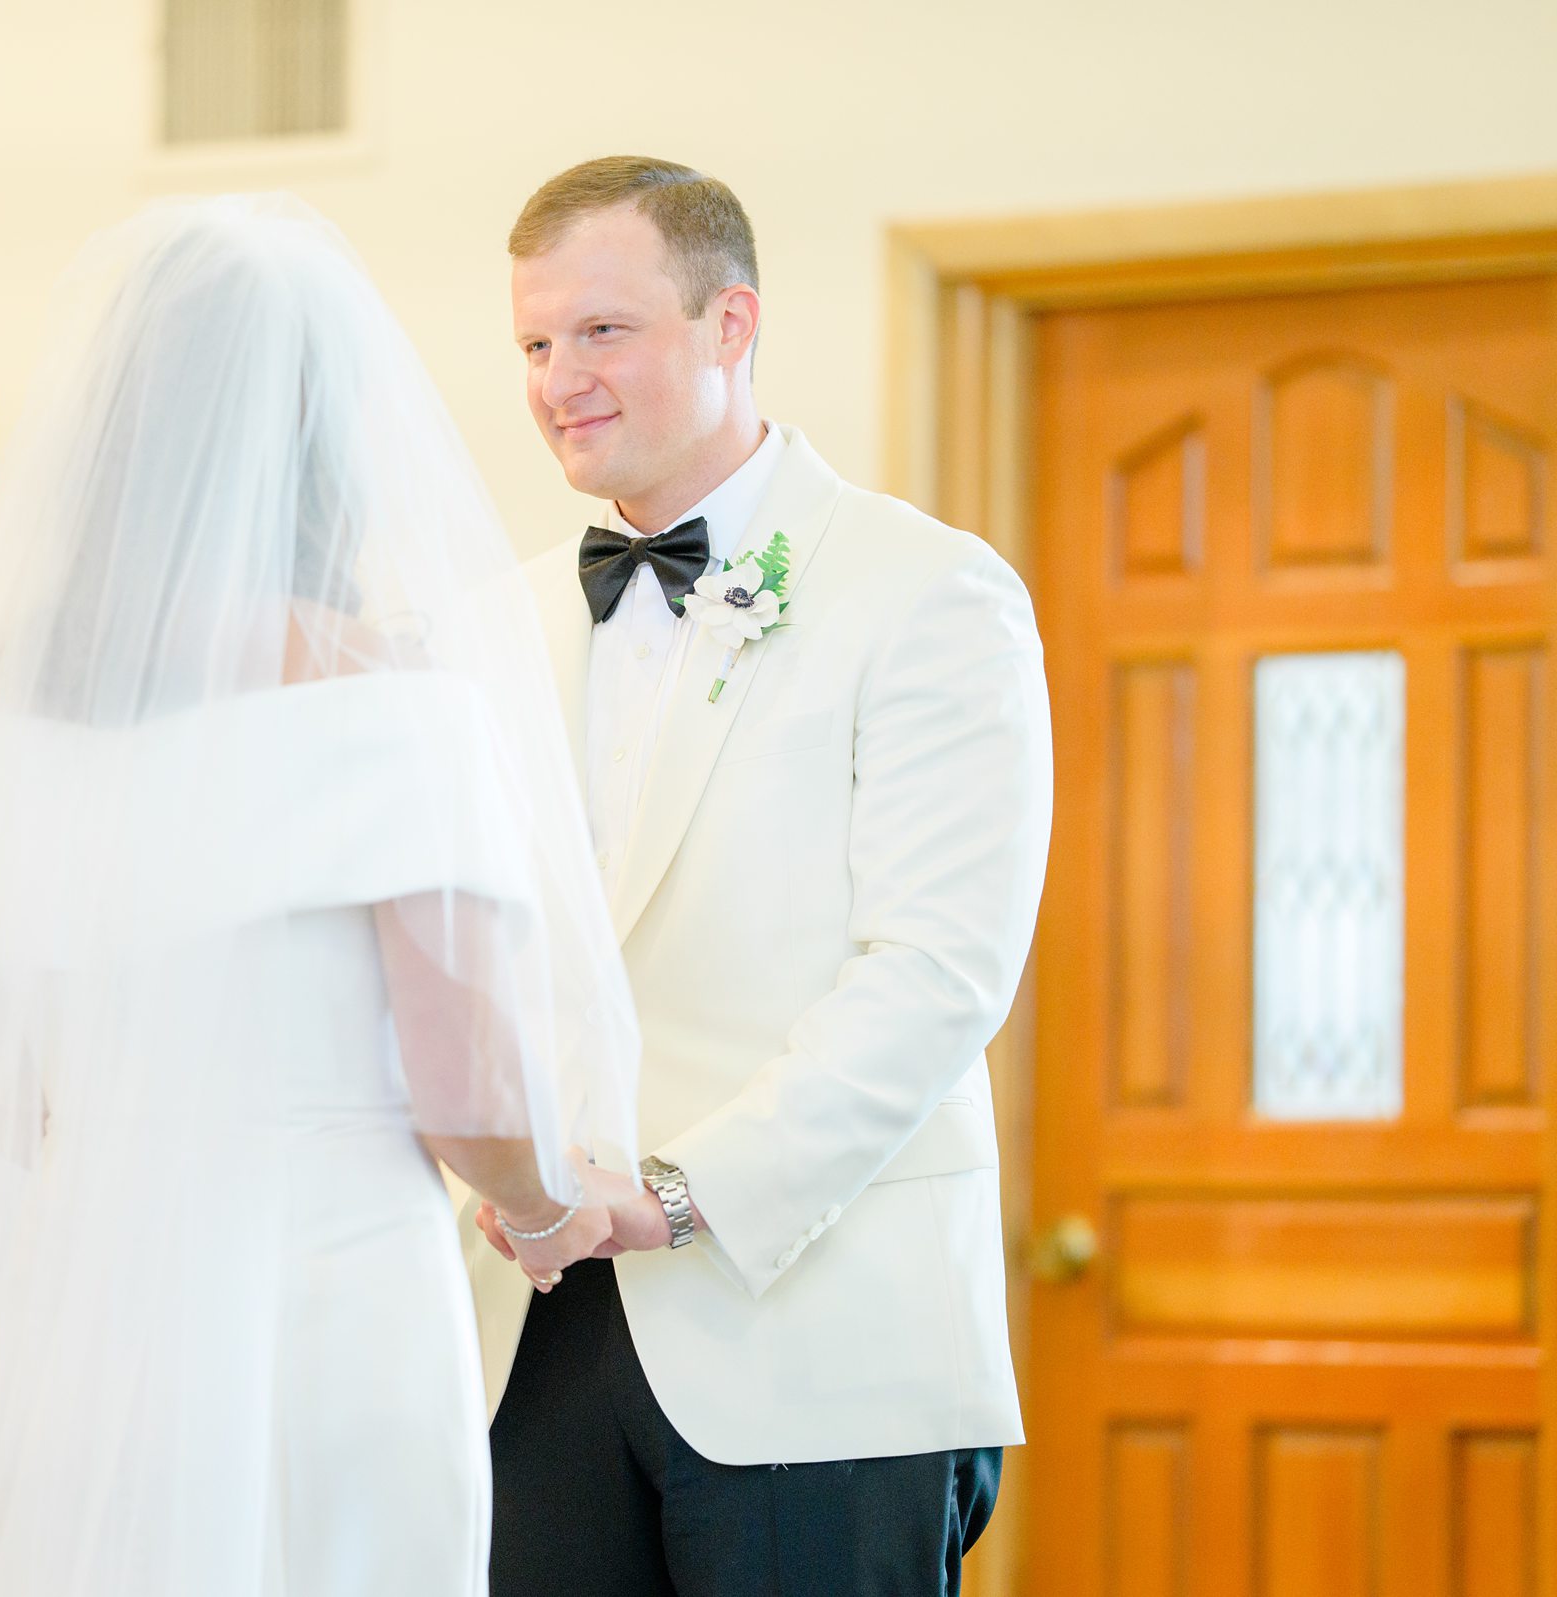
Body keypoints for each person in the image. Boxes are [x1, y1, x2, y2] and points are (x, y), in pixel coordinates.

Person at [0, 196, 639, 1597]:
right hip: (324, 1311)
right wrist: (544, 1207)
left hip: (80, 1326)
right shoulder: (388, 703)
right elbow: (467, 1080)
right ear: (334, 432)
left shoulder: (0, 714)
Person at [470, 156, 1054, 1595]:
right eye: (535, 344)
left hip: (817, 1328)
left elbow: (937, 974)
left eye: (603, 331)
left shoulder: (926, 591)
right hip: (532, 1326)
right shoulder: (502, 615)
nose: (559, 380)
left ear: (732, 326)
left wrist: (674, 1193)